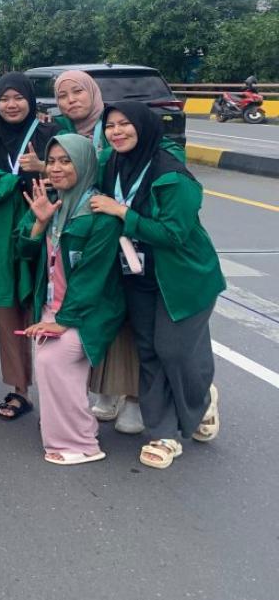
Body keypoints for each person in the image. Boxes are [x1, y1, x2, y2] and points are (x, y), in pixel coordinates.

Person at [90, 102, 225, 469]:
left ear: (145, 127)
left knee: (175, 350)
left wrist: (123, 213)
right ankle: (164, 434)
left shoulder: (171, 175)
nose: (117, 132)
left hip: (184, 278)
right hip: (137, 274)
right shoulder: (111, 164)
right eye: (111, 125)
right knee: (148, 351)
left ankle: (201, 398)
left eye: (125, 124)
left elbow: (175, 234)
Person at [16, 134, 125, 466]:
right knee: (52, 364)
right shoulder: (53, 202)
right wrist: (40, 221)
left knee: (55, 361)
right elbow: (24, 251)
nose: (57, 168)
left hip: (87, 310)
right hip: (53, 306)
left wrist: (62, 322)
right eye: (52, 161)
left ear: (85, 164)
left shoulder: (100, 214)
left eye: (66, 161)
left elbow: (92, 277)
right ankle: (70, 428)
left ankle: (80, 443)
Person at [51, 70, 143, 434]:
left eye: (78, 92)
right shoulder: (62, 133)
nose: (71, 100)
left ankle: (135, 397)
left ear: (94, 93)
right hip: (93, 231)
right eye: (62, 95)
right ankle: (107, 389)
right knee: (104, 315)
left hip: (130, 235)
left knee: (132, 319)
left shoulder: (115, 129)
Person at [0, 71, 56, 423]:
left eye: (18, 97)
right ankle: (20, 389)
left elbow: (74, 173)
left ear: (31, 101)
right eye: (4, 98)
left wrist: (43, 167)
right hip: (4, 232)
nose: (11, 104)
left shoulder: (51, 135)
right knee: (8, 311)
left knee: (46, 307)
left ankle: (58, 388)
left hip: (43, 225)